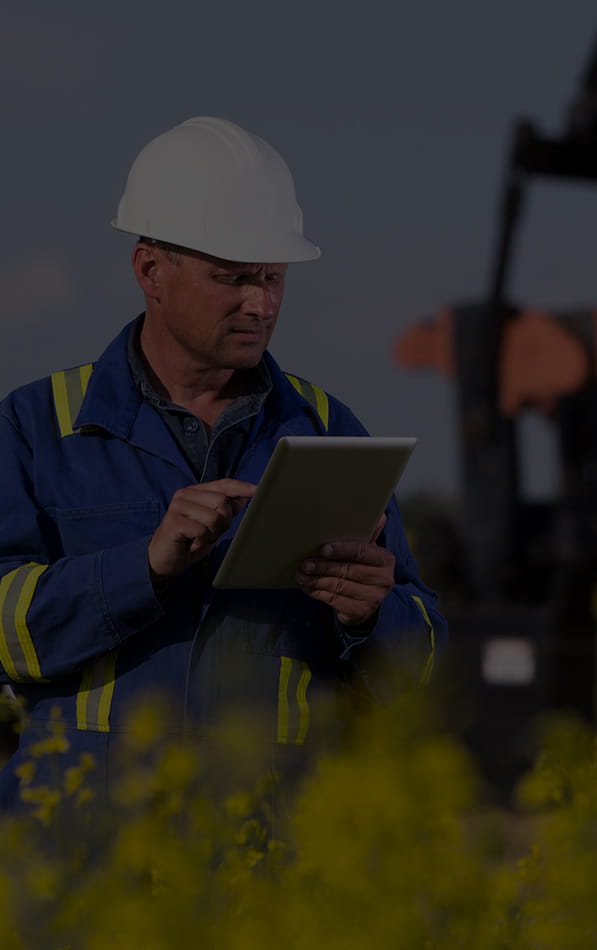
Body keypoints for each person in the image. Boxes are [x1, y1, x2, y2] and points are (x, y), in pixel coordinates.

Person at [0, 117, 446, 825]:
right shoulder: (34, 427)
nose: (260, 304)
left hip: (269, 853)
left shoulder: (328, 428)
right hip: (83, 849)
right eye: (232, 278)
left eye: (272, 278)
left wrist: (370, 613)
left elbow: (420, 669)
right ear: (150, 270)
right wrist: (141, 567)